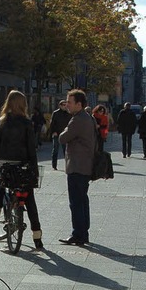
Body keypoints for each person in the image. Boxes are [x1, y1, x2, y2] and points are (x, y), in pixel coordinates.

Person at [0, 90, 43, 249]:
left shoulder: (0, 122)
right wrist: (34, 169)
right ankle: (37, 236)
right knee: (29, 199)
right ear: (23, 105)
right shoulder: (27, 123)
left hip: (4, 162)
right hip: (22, 164)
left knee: (0, 185)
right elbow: (31, 148)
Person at [58, 89, 95, 246]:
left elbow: (62, 138)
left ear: (79, 104)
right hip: (85, 164)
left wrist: (64, 131)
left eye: (70, 102)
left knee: (76, 202)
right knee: (82, 200)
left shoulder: (77, 120)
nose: (67, 105)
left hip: (77, 166)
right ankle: (83, 232)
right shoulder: (87, 117)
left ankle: (78, 234)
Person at [48, 100, 71, 170]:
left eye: (65, 105)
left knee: (66, 151)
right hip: (56, 134)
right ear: (60, 105)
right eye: (63, 105)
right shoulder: (56, 113)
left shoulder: (68, 113)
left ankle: (68, 165)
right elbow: (52, 124)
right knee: (55, 150)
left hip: (64, 134)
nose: (65, 106)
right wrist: (53, 132)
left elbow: (70, 124)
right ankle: (54, 165)